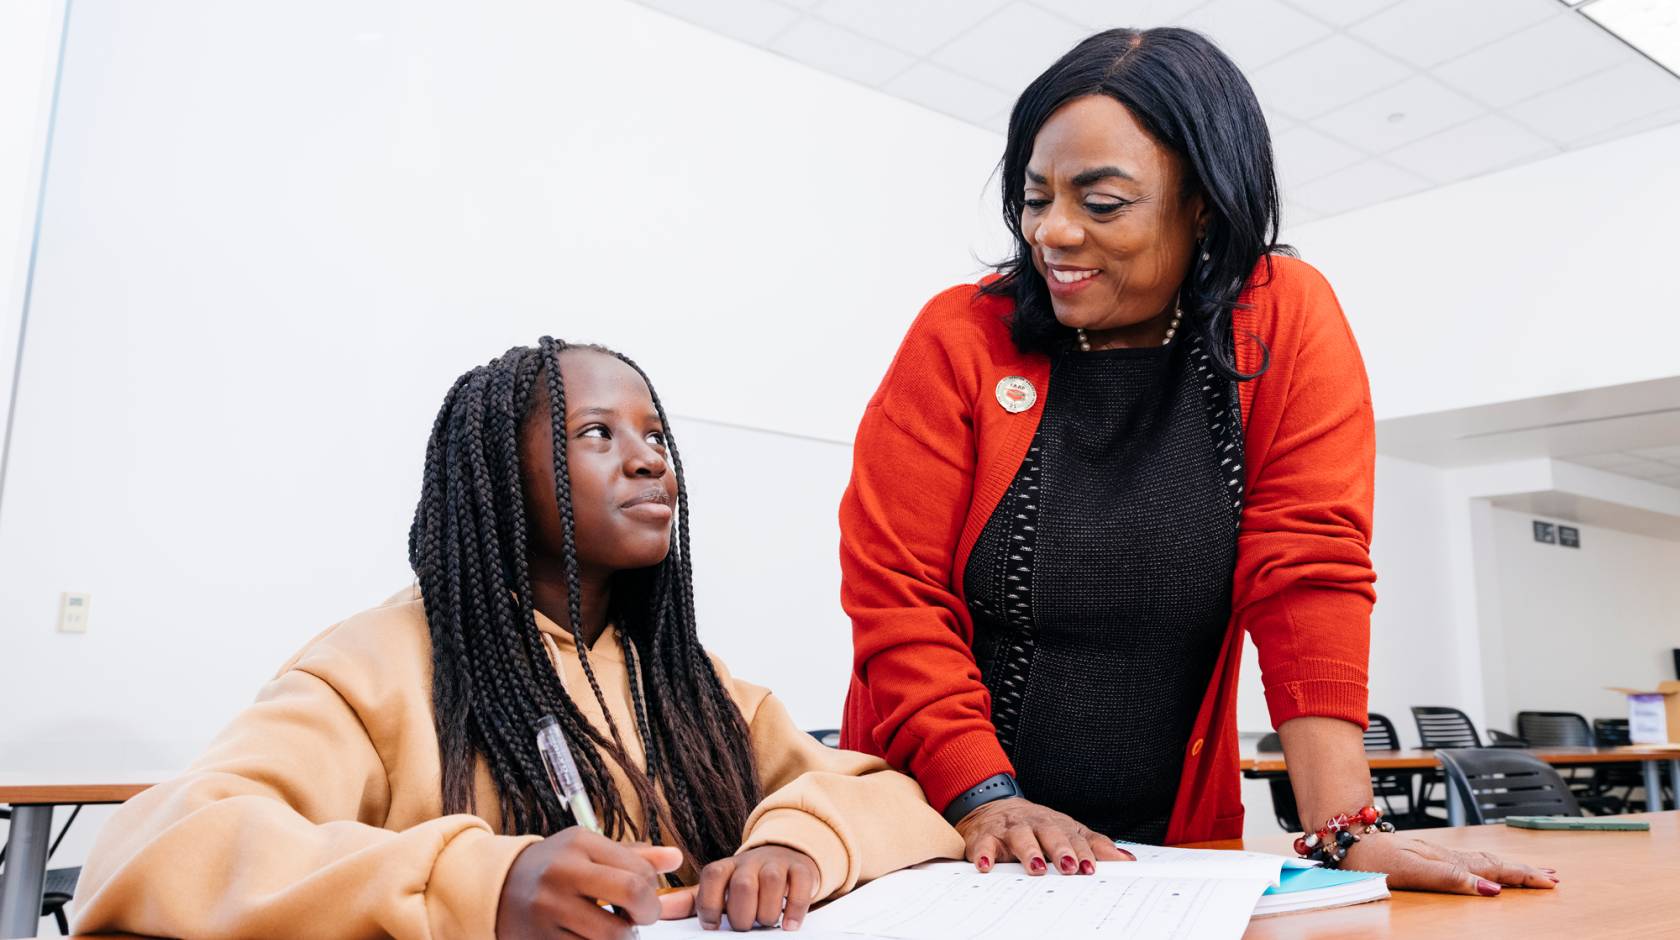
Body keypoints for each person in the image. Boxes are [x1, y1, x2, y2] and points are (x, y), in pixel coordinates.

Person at [838, 28, 1556, 896]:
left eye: (1102, 204)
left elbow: (1310, 569)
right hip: (942, 832)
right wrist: (986, 796)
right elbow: (896, 592)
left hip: (1160, 857)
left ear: (1204, 206)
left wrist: (1344, 828)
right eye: (1036, 197)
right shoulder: (959, 336)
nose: (1053, 232)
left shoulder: (1283, 316)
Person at [75, 339, 962, 938]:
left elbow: (892, 801)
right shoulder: (380, 664)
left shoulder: (687, 682)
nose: (651, 459)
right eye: (596, 434)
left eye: (656, 436)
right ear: (498, 477)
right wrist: (484, 885)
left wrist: (793, 843)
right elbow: (146, 849)